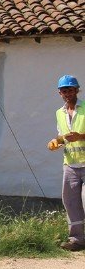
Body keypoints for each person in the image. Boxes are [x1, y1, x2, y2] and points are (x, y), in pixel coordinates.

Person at [49, 74, 85, 251]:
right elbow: (62, 136)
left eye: (71, 89)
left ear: (77, 90)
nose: (68, 93)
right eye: (64, 90)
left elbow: (77, 136)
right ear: (59, 93)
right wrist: (56, 142)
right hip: (70, 165)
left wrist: (81, 136)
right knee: (70, 203)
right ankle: (77, 240)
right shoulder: (59, 113)